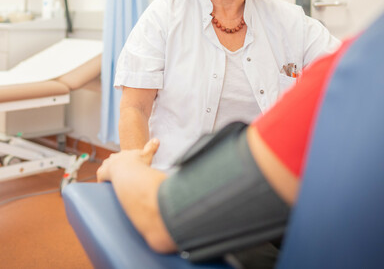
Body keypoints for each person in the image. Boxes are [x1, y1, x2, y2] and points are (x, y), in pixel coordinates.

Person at [97, 25, 365, 265]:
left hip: (264, 185)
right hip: (187, 180)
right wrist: (135, 163)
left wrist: (122, 167)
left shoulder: (300, 28)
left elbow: (162, 223)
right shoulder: (165, 18)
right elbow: (134, 108)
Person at [115, 0, 340, 169]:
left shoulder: (288, 20)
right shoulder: (164, 17)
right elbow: (134, 108)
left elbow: (344, 69)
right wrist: (137, 174)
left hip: (261, 178)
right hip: (177, 177)